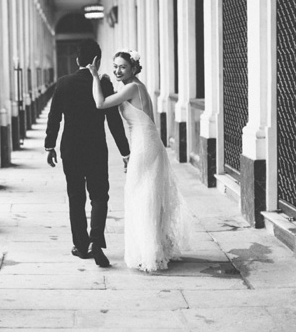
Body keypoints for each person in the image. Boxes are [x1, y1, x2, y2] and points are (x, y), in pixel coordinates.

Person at [89, 49, 190, 272]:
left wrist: (95, 76)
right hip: (144, 143)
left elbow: (100, 103)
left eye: (122, 66)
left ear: (133, 68)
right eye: (115, 66)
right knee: (144, 193)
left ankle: (149, 252)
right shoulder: (131, 86)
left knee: (141, 194)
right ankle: (151, 248)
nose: (117, 70)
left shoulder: (133, 87)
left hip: (145, 144)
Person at [44, 39, 130, 268]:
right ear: (97, 61)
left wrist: (49, 146)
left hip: (70, 149)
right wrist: (125, 151)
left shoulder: (63, 84)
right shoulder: (103, 85)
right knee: (99, 195)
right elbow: (114, 122)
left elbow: (54, 118)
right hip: (95, 149)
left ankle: (81, 246)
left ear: (77, 60)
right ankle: (96, 241)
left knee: (76, 197)